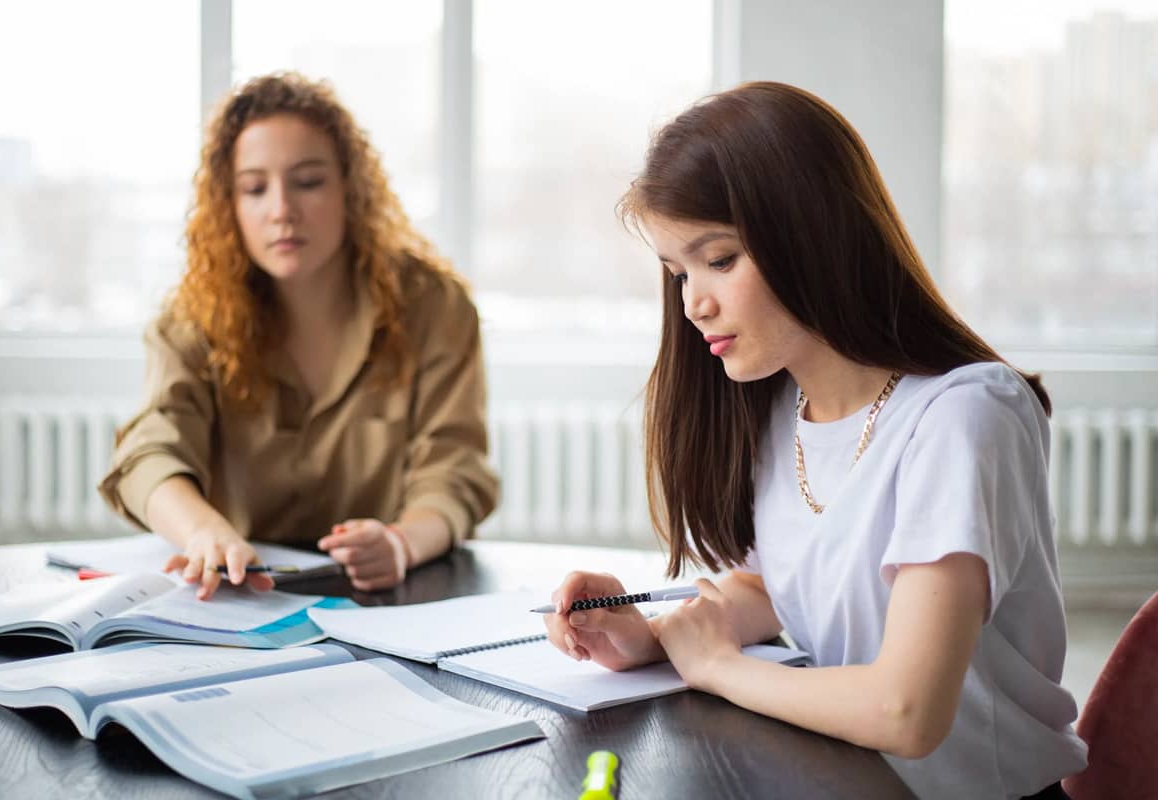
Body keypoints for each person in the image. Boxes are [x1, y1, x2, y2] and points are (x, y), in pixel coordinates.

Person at [542, 82, 1086, 799]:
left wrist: (719, 667)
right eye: (678, 272)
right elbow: (776, 588)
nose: (693, 304)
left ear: (814, 235)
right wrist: (657, 635)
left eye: (721, 259)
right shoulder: (777, 405)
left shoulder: (964, 417)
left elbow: (908, 711)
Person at [99, 72, 498, 599]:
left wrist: (401, 543)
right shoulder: (192, 317)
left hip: (390, 602)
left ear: (350, 191)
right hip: (238, 596)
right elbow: (151, 452)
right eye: (254, 188)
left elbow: (454, 471)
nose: (282, 209)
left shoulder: (435, 306)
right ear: (229, 205)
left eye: (308, 181)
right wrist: (204, 531)